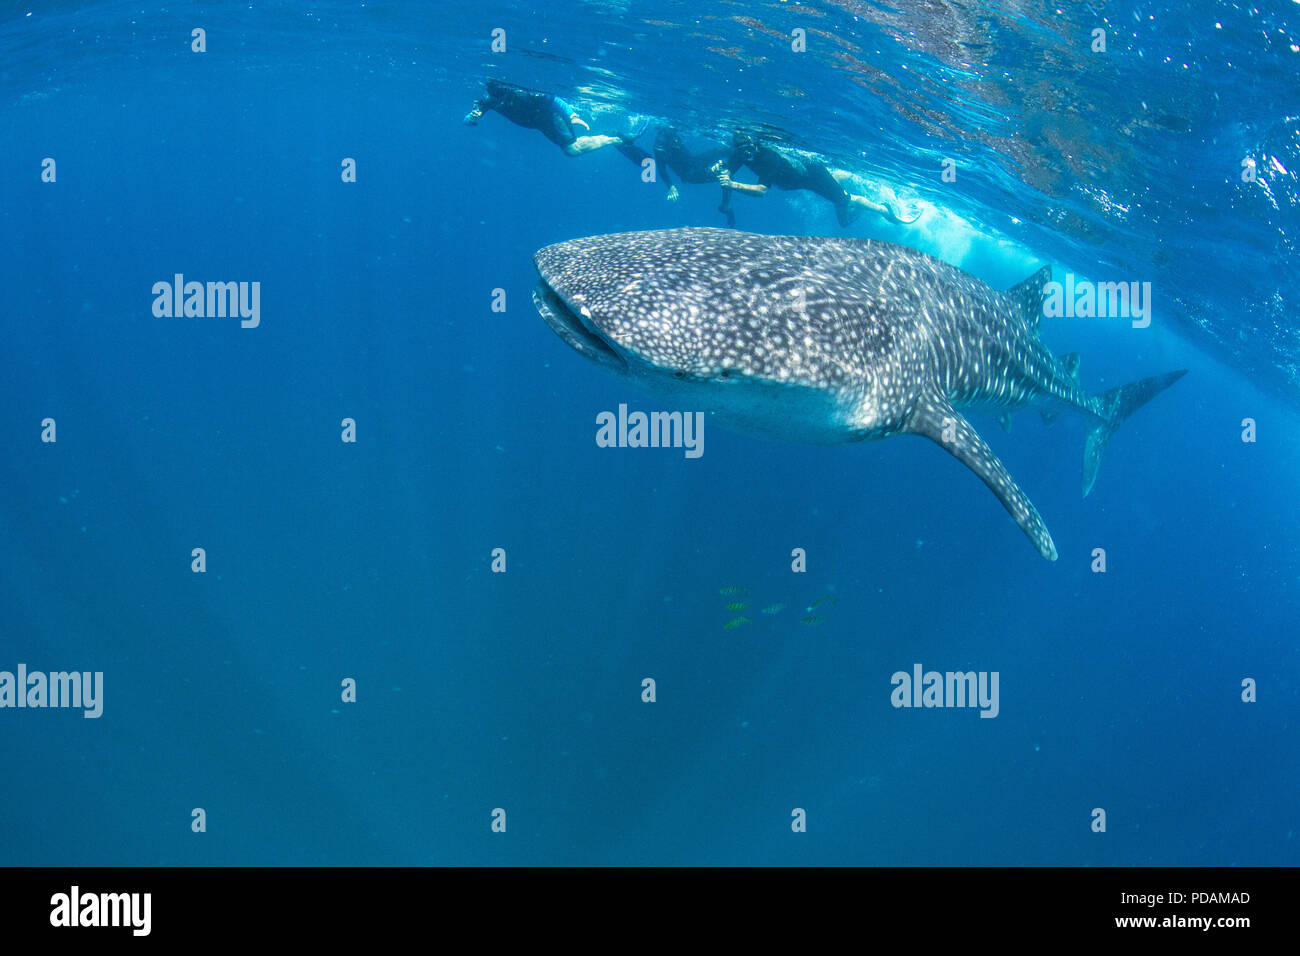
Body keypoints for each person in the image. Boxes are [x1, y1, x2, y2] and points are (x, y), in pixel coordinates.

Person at [715, 131, 921, 227]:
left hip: (812, 175)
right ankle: (841, 177)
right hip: (795, 180)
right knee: (842, 214)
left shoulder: (768, 157)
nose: (746, 155)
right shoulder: (740, 154)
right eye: (742, 151)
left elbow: (760, 191)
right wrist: (725, 203)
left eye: (749, 150)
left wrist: (732, 185)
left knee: (844, 206)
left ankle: (885, 210)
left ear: (756, 145)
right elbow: (726, 177)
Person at [463, 79, 628, 157]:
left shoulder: (522, 94)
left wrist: (572, 116)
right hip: (535, 123)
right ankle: (609, 138)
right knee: (571, 151)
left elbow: (554, 99)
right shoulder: (488, 100)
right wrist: (472, 118)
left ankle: (611, 139)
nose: (493, 97)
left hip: (549, 118)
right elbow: (466, 121)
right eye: (490, 92)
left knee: (572, 149)